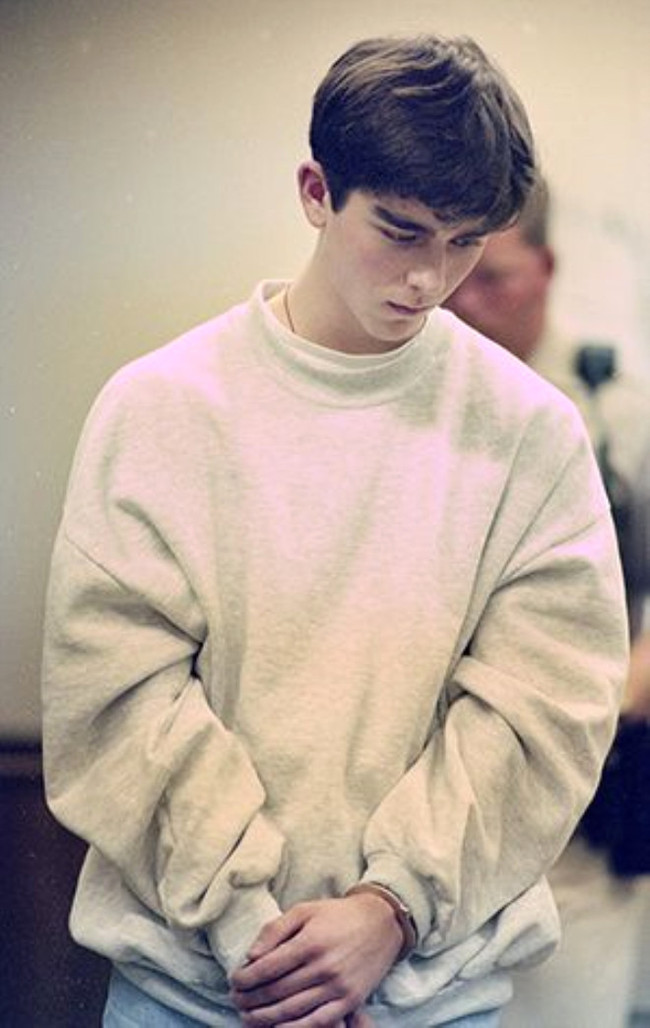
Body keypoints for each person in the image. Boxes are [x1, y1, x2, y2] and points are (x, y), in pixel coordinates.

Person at [41, 35, 628, 1028]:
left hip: (431, 994)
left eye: (464, 242)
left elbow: (544, 711)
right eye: (401, 231)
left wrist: (390, 911)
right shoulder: (161, 408)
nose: (429, 277)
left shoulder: (531, 433)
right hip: (190, 988)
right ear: (316, 192)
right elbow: (116, 695)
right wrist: (265, 945)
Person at [446, 179, 650, 1028]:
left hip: (577, 819)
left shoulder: (617, 413)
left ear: (547, 268)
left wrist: (608, 698)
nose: (463, 302)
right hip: (434, 818)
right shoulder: (415, 401)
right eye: (456, 276)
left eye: (493, 278)